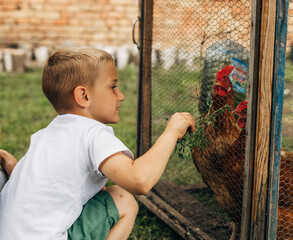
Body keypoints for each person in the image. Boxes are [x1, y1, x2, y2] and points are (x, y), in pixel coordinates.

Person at [0, 47, 195, 240]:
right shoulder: (93, 134)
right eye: (113, 87)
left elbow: (41, 183)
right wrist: (171, 132)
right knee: (123, 199)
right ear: (83, 96)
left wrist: (14, 168)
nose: (121, 95)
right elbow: (139, 180)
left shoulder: (43, 135)